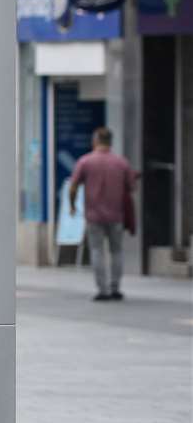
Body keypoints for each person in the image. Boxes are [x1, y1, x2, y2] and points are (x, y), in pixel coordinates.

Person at [67, 126, 140, 302]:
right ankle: (116, 288)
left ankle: (103, 290)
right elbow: (132, 187)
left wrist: (72, 206)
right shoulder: (121, 162)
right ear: (110, 142)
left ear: (95, 141)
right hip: (116, 215)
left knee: (97, 250)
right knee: (117, 251)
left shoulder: (85, 161)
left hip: (94, 215)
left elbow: (73, 186)